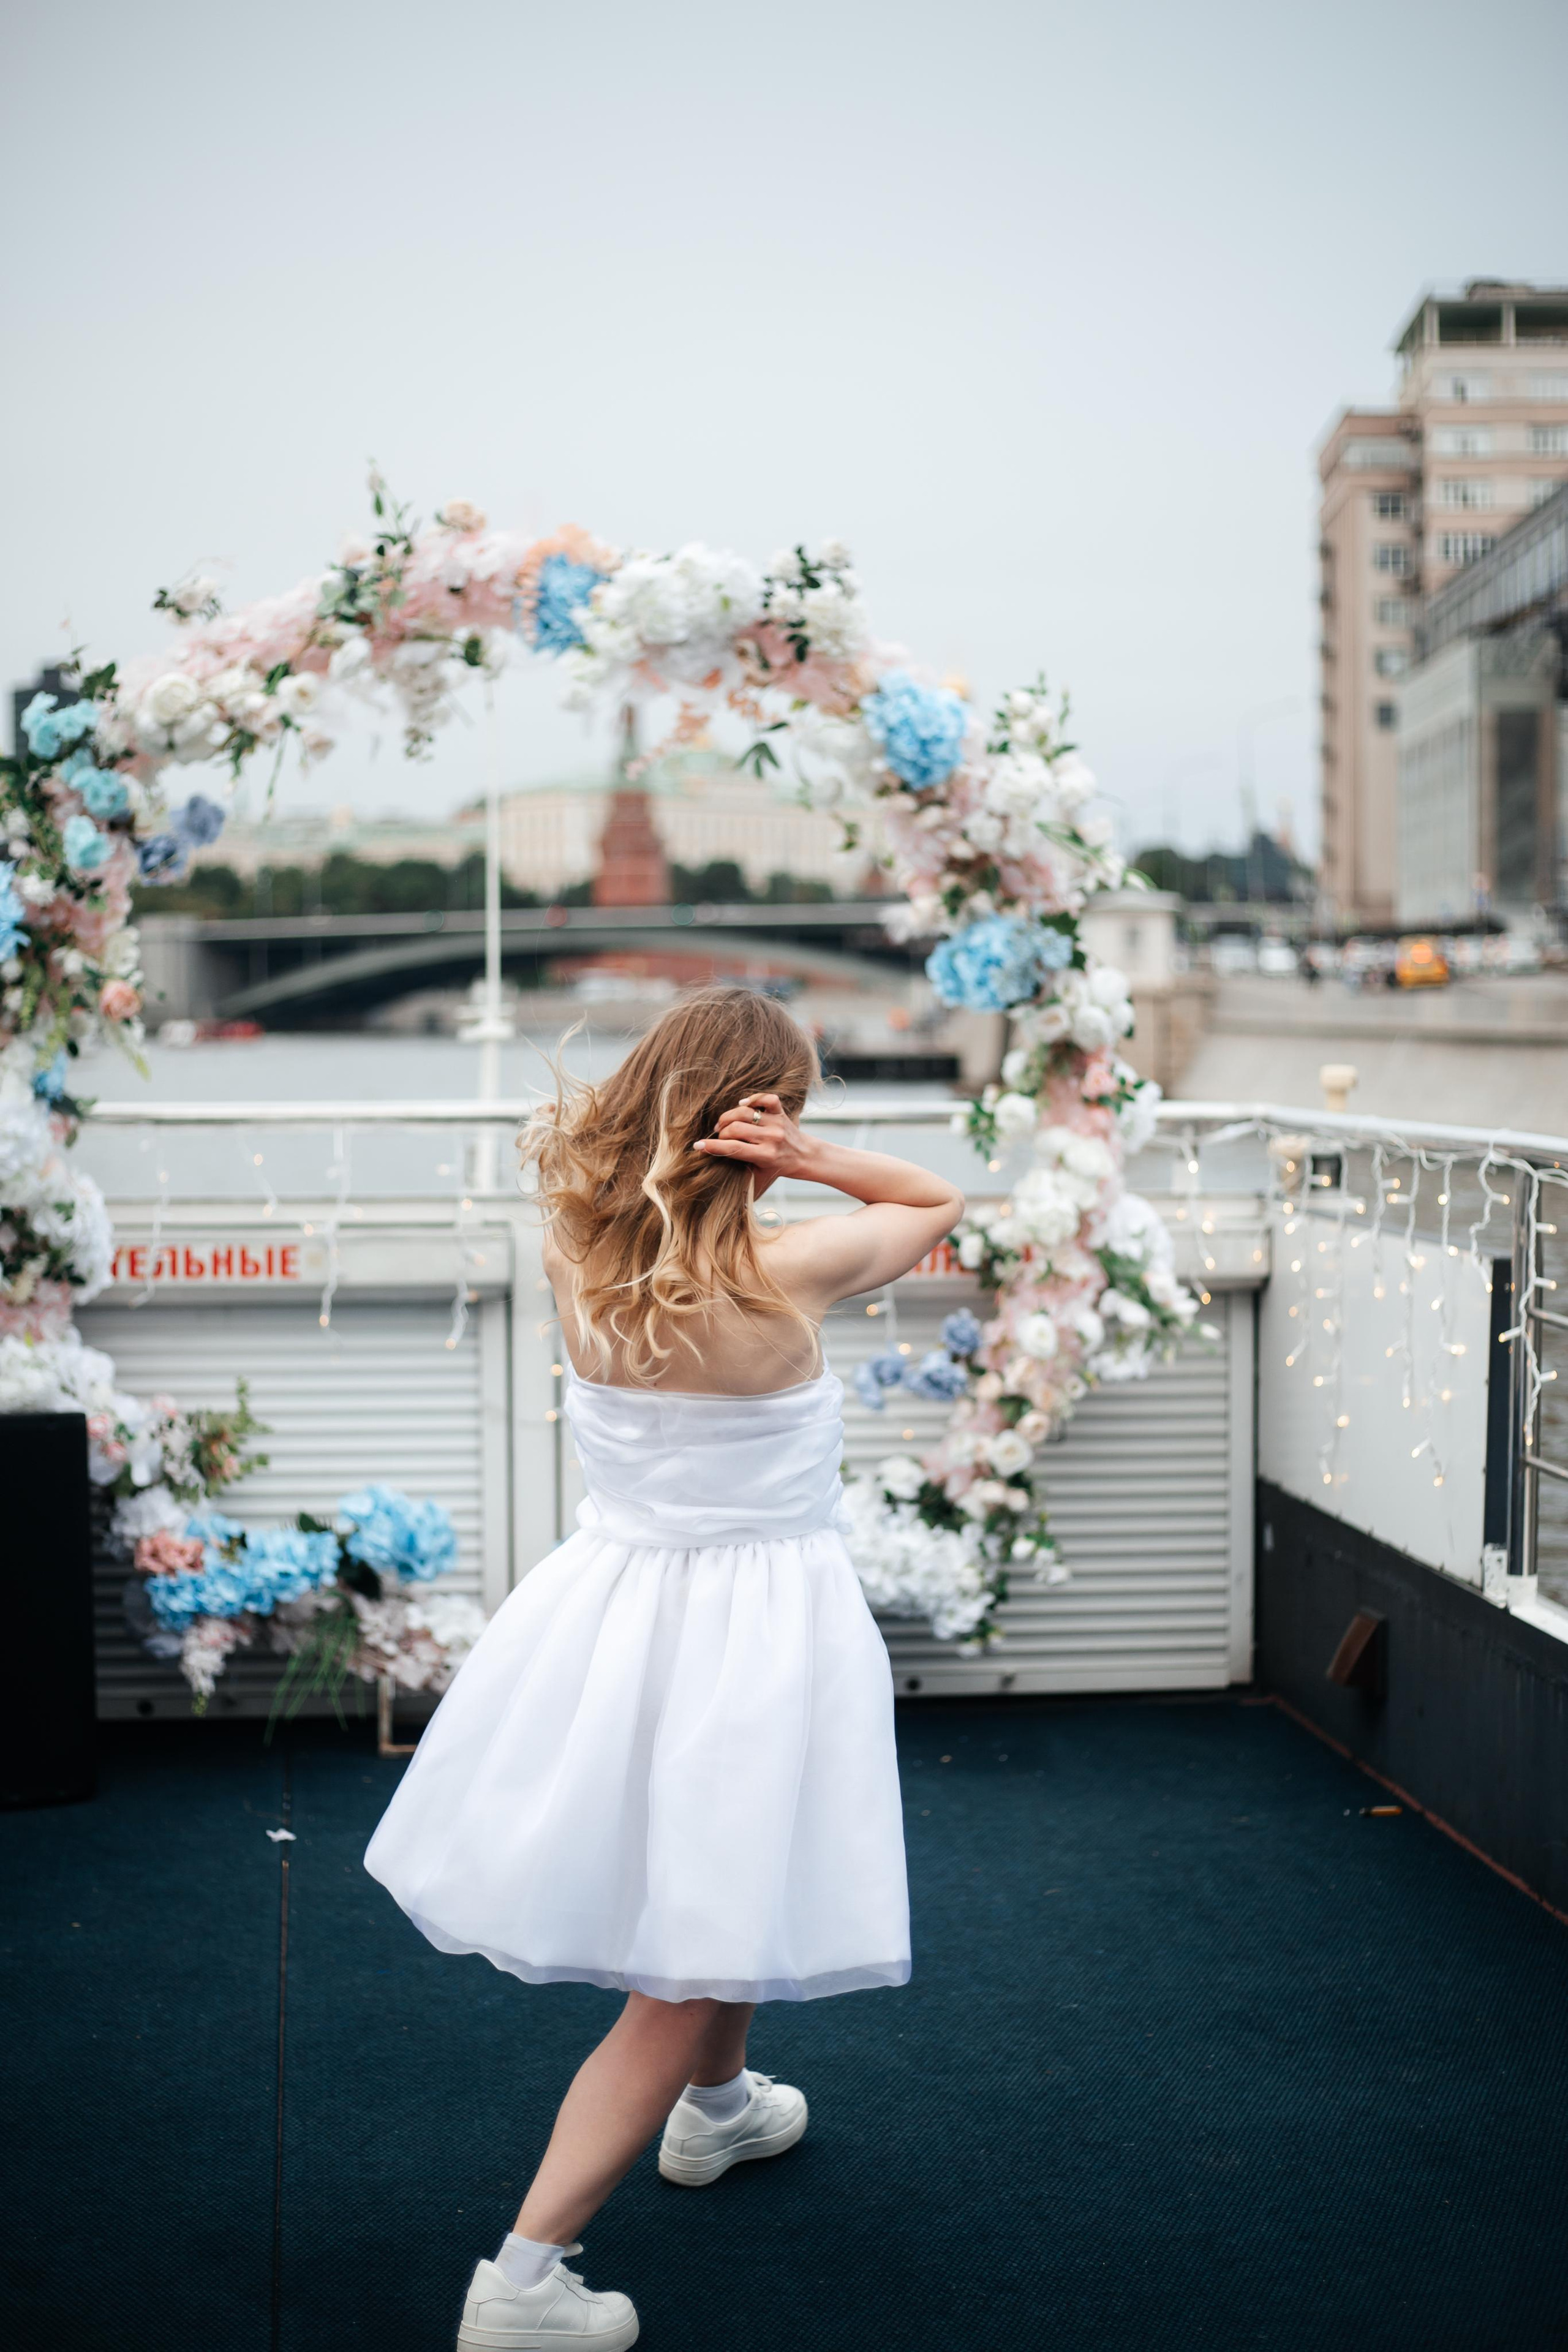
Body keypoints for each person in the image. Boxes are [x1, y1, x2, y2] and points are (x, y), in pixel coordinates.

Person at [365, 986, 965, 2351]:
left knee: (720, 1876)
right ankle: (523, 2276)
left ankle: (716, 2110)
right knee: (682, 1962)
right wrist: (811, 1168)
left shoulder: (576, 1251)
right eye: (788, 1114)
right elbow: (932, 1199)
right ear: (758, 1128)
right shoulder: (790, 1266)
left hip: (613, 1608)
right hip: (758, 1632)